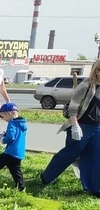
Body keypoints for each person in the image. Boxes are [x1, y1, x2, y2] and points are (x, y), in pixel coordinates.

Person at [40, 59, 100, 197]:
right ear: (97, 72)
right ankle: (46, 177)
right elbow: (73, 107)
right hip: (81, 125)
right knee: (70, 154)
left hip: (97, 127)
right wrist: (75, 126)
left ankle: (93, 188)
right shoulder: (85, 86)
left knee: (95, 157)